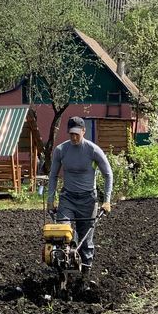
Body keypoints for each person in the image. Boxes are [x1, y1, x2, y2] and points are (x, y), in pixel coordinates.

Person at [47, 116, 113, 282]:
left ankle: (85, 276)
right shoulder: (61, 150)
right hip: (67, 198)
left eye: (77, 133)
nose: (74, 137)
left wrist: (107, 200)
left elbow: (108, 174)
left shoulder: (93, 150)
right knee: (63, 234)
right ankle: (63, 273)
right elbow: (53, 175)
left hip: (88, 200)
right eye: (71, 134)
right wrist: (50, 199)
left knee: (86, 240)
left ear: (83, 131)